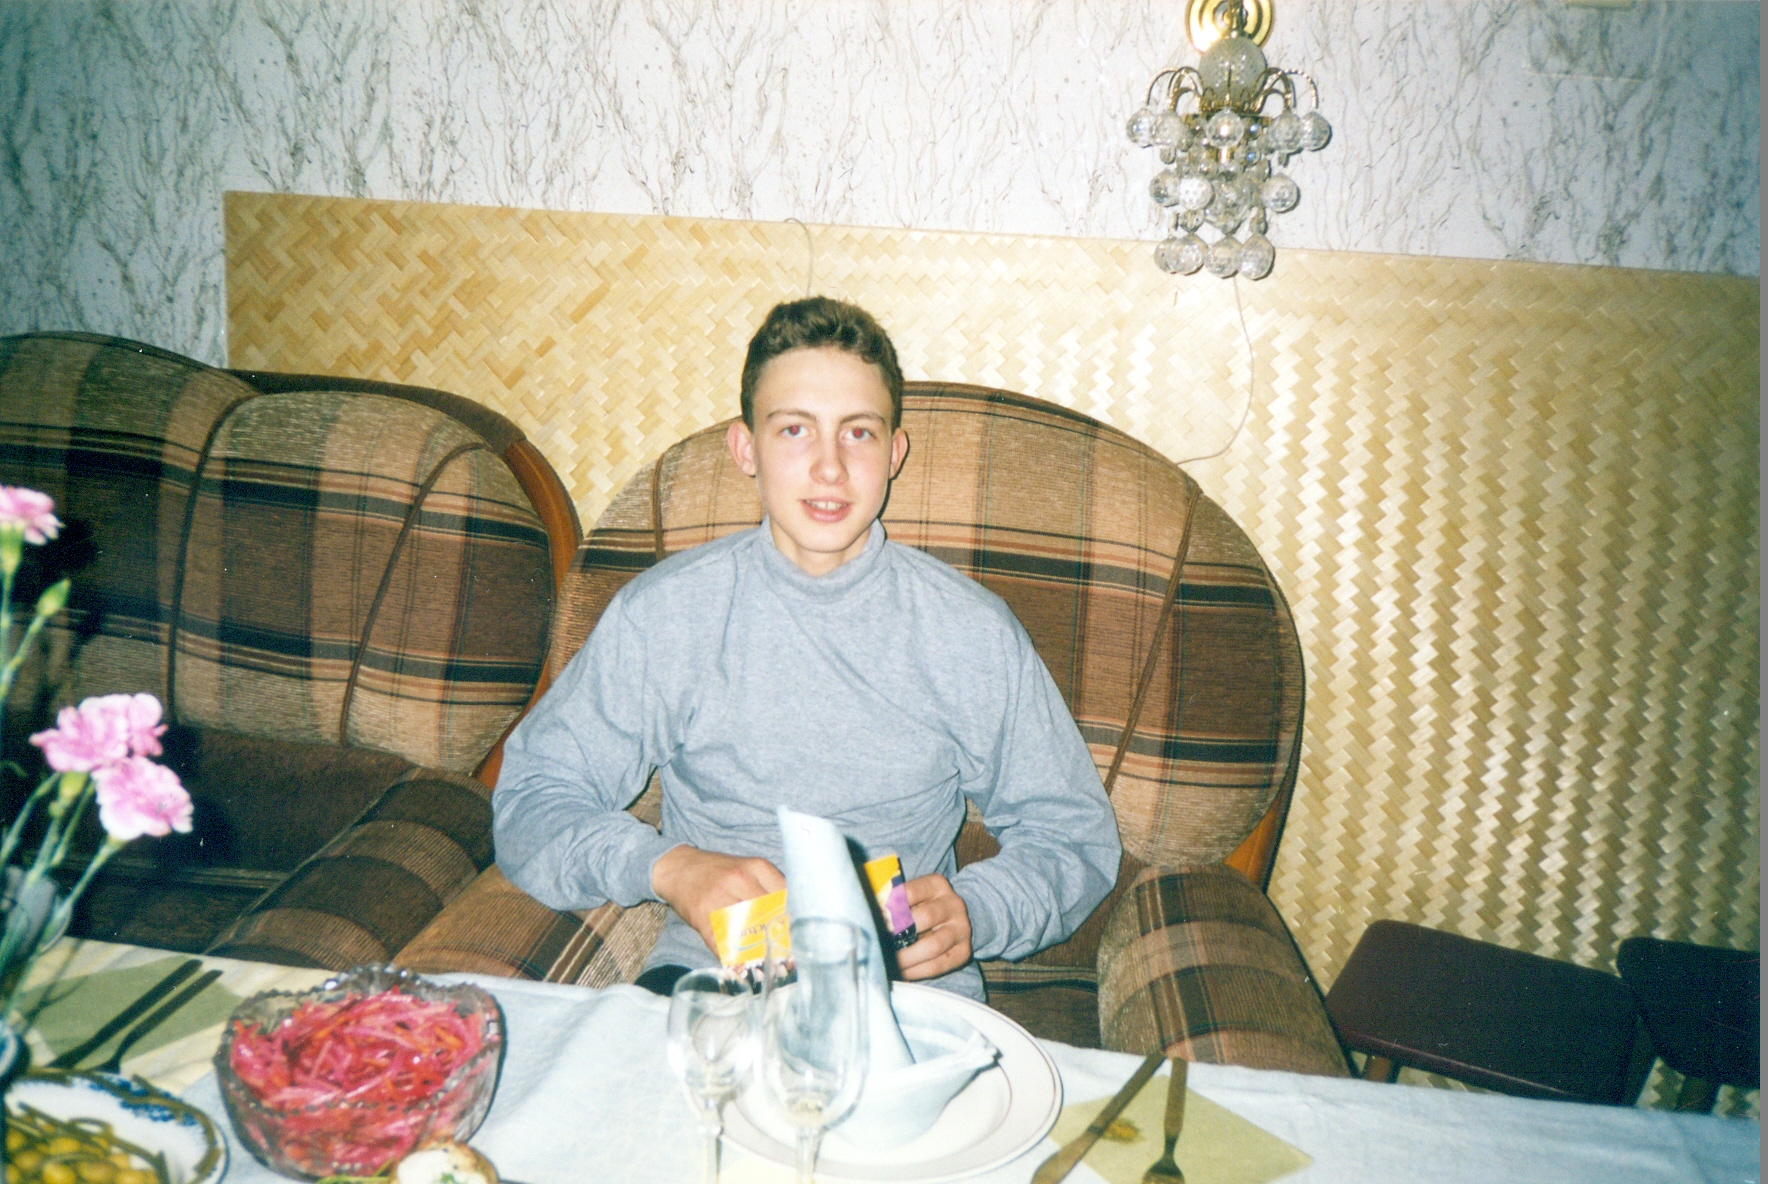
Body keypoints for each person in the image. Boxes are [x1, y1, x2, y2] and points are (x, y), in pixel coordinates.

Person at [492, 296, 1120, 1000]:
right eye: (795, 429)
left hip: (904, 989)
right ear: (746, 449)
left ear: (894, 454)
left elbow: (1074, 837)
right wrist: (668, 867)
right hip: (716, 977)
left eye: (859, 433)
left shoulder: (970, 632)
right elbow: (531, 800)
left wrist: (981, 909)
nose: (829, 468)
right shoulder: (665, 614)